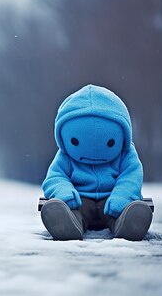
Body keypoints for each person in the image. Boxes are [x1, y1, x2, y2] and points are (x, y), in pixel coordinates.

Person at [41, 84, 152, 241]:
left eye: (110, 142)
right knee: (74, 213)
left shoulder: (126, 155)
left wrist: (122, 197)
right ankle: (67, 223)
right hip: (80, 201)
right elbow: (55, 177)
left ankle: (127, 223)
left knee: (123, 212)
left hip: (112, 201)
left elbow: (131, 176)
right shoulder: (65, 158)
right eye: (75, 141)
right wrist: (65, 195)